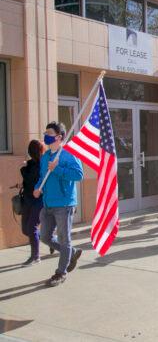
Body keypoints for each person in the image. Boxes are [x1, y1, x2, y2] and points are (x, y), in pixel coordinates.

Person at [33, 122, 84, 287]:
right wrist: (37, 188)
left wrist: (58, 169)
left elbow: (78, 174)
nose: (46, 135)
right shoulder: (46, 156)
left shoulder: (68, 154)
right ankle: (72, 252)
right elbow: (43, 176)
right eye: (45, 132)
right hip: (48, 203)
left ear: (59, 137)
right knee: (45, 236)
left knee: (64, 239)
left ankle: (61, 272)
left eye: (49, 133)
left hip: (64, 204)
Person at [19, 140, 45, 265]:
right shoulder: (29, 164)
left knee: (31, 227)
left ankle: (35, 256)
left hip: (39, 201)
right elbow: (27, 182)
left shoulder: (41, 165)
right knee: (25, 229)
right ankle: (49, 239)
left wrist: (23, 169)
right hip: (27, 199)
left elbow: (31, 180)